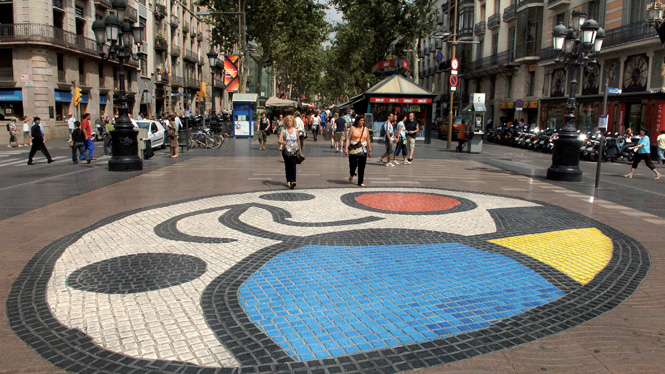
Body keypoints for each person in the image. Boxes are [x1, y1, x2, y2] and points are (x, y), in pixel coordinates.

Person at [345, 115, 372, 187]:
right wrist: (346, 148)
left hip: (363, 149)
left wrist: (370, 150)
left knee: (362, 166)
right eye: (361, 120)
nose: (362, 122)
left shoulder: (366, 129)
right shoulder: (352, 128)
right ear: (357, 121)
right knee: (353, 165)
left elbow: (368, 140)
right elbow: (348, 138)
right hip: (354, 148)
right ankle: (351, 173)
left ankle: (360, 181)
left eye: (363, 120)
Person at [278, 115, 301, 189]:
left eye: (290, 121)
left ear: (293, 122)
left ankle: (293, 181)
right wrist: (282, 142)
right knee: (288, 166)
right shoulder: (283, 130)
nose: (289, 122)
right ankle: (288, 180)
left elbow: (298, 140)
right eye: (288, 121)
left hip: (294, 150)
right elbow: (279, 140)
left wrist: (300, 150)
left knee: (293, 165)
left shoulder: (296, 130)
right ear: (286, 122)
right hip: (286, 151)